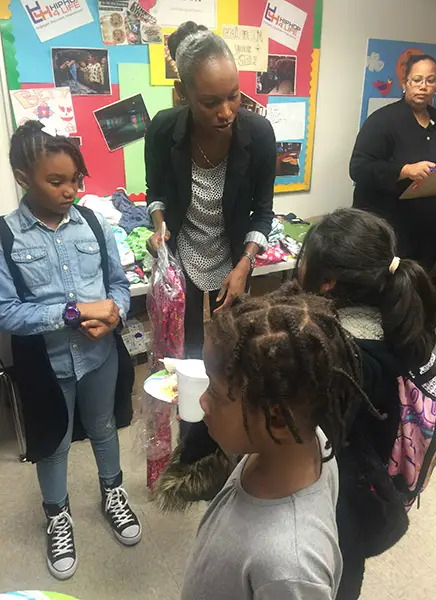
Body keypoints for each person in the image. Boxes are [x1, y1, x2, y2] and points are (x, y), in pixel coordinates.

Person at [0, 121, 141, 580]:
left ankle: (112, 492)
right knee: (54, 443)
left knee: (103, 427)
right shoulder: (6, 236)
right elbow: (6, 312)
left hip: (100, 357)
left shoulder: (93, 224)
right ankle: (57, 515)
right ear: (23, 176)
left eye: (76, 180)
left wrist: (115, 314)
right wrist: (74, 312)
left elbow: (118, 286)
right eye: (56, 181)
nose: (70, 191)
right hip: (47, 364)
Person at [181, 287, 371, 600]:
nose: (202, 401)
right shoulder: (307, 441)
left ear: (278, 419)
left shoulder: (291, 568)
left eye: (213, 391)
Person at [296, 208, 436, 599]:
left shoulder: (341, 354)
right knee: (348, 567)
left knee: (331, 569)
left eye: (305, 256)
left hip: (342, 495)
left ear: (327, 281)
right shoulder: (406, 321)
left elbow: (307, 439)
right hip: (376, 481)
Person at [145, 20, 275, 360]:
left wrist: (245, 264)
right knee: (185, 350)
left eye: (234, 96)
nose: (226, 112)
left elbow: (262, 212)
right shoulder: (163, 129)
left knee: (231, 347)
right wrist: (159, 227)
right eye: (210, 102)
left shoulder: (259, 134)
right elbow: (154, 192)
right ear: (182, 93)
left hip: (234, 256)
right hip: (183, 254)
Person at [349, 54, 436, 341]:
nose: (423, 86)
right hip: (391, 226)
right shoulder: (383, 121)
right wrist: (404, 170)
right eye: (417, 80)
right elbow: (358, 168)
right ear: (404, 83)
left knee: (417, 285)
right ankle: (384, 337)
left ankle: (413, 333)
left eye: (430, 80)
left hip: (430, 226)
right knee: (389, 289)